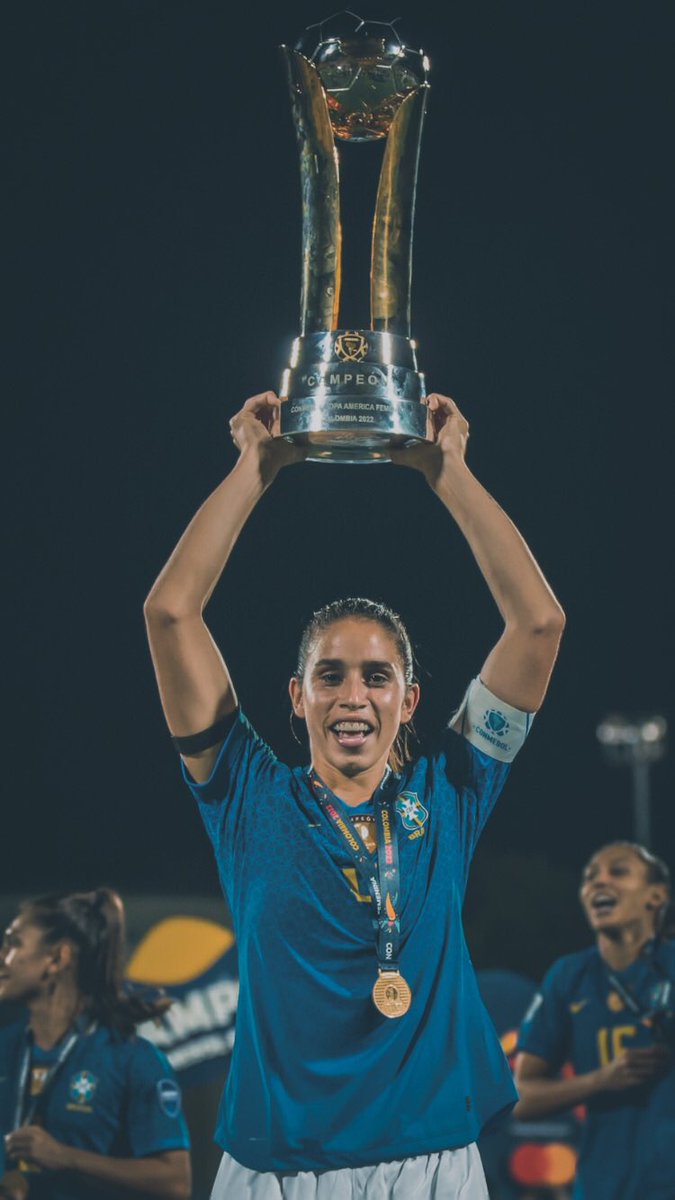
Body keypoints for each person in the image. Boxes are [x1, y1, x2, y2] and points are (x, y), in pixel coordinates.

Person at [144, 390, 565, 1199]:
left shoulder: (451, 789)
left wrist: (450, 474)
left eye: (378, 677)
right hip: (275, 1168)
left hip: (429, 1163)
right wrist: (253, 470)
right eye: (328, 675)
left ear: (408, 702)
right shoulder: (244, 794)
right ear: (295, 697)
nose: (352, 695)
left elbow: (538, 626)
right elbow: (170, 613)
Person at [0, 889, 191, 1200]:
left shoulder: (133, 1060)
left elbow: (175, 1183)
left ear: (57, 958)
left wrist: (67, 1158)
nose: (1, 955)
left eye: (12, 942)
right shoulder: (6, 1049)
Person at [514, 841, 675, 1200]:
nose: (599, 882)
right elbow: (522, 1098)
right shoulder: (569, 976)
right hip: (602, 1186)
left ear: (655, 896)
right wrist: (603, 1079)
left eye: (618, 871)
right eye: (590, 877)